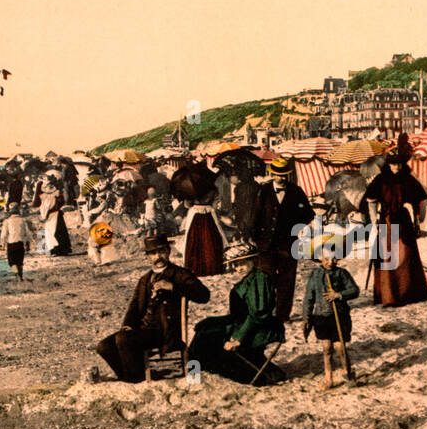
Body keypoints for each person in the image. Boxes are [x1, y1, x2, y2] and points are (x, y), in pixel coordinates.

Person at [95, 235, 211, 382]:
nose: (158, 256)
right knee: (104, 346)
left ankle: (135, 381)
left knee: (123, 340)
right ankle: (127, 378)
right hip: (144, 330)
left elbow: (204, 295)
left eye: (161, 251)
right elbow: (134, 307)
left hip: (165, 332)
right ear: (148, 257)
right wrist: (128, 326)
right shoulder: (145, 279)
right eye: (153, 253)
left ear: (168, 251)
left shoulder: (180, 274)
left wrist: (173, 287)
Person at [189, 240, 287, 385]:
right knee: (204, 327)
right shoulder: (247, 280)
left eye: (243, 263)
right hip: (242, 322)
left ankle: (194, 376)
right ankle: (194, 374)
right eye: (236, 265)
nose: (239, 268)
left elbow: (258, 314)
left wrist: (238, 338)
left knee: (207, 337)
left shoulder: (260, 279)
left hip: (261, 327)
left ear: (253, 260)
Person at [363, 138, 427, 307]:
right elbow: (370, 199)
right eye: (393, 165)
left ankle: (407, 292)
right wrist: (373, 220)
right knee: (387, 257)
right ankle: (389, 294)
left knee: (405, 255)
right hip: (385, 221)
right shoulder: (380, 179)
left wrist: (417, 222)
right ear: (388, 165)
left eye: (399, 164)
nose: (396, 168)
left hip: (403, 222)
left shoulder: (408, 179)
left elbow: (418, 203)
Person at [251, 158, 315, 320]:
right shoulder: (263, 191)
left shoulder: (296, 192)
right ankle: (266, 313)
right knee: (266, 280)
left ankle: (282, 315)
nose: (282, 178)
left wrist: (298, 228)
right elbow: (254, 216)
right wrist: (255, 238)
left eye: (285, 175)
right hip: (266, 245)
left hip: (289, 244)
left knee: (287, 281)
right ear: (272, 174)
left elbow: (308, 214)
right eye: (278, 175)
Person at [301, 241, 360, 390]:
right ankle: (329, 378)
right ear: (320, 257)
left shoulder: (342, 274)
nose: (330, 261)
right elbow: (309, 297)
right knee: (326, 348)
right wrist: (306, 317)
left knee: (340, 347)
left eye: (334, 258)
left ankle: (347, 372)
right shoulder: (315, 275)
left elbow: (354, 290)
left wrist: (338, 295)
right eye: (326, 258)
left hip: (339, 316)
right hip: (321, 317)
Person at [181, 190, 225, 277]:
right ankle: (211, 267)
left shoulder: (191, 189)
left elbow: (187, 205)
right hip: (208, 213)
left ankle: (194, 267)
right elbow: (215, 204)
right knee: (210, 238)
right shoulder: (212, 189)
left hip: (195, 213)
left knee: (194, 239)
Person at [0, 205, 35, 280]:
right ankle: (20, 276)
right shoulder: (23, 220)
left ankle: (17, 275)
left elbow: (3, 235)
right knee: (19, 262)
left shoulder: (7, 221)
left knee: (12, 262)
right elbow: (28, 233)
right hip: (20, 243)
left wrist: (2, 245)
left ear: (10, 212)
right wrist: (28, 244)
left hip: (11, 244)